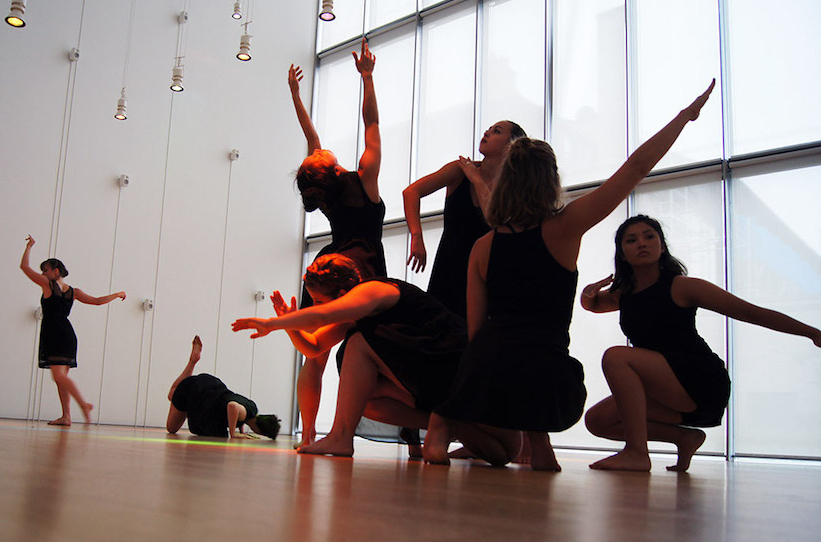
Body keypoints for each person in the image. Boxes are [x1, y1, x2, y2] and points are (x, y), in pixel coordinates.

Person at [422, 80, 718, 470]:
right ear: (550, 179)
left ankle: (448, 426)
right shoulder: (564, 227)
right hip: (549, 385)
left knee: (494, 380)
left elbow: (477, 334)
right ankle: (536, 440)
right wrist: (684, 117)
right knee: (535, 360)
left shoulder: (484, 246)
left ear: (505, 183)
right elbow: (635, 168)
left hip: (487, 375)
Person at [580, 215, 821, 472]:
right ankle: (685, 438)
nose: (642, 243)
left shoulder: (682, 287)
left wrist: (812, 333)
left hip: (699, 381)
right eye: (632, 240)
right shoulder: (624, 294)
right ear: (623, 255)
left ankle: (637, 453)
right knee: (598, 422)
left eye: (649, 236)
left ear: (662, 247)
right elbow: (593, 305)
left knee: (617, 356)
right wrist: (588, 292)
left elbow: (750, 312)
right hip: (666, 386)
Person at [232, 253, 466, 457]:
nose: (314, 306)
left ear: (342, 294)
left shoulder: (373, 290)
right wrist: (290, 326)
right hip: (430, 380)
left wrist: (273, 323)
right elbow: (313, 347)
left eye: (319, 301)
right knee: (365, 401)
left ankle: (340, 437)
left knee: (358, 343)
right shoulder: (355, 315)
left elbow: (320, 317)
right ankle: (448, 424)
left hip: (452, 368)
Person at [288, 39, 385, 448]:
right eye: (315, 156)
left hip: (327, 269)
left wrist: (296, 97)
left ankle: (310, 433)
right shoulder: (364, 176)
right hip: (359, 269)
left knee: (316, 354)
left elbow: (310, 136)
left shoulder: (324, 190)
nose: (317, 149)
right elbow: (372, 125)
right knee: (372, 349)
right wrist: (367, 78)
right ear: (327, 169)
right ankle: (341, 432)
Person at [403, 120, 527, 318]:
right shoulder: (459, 170)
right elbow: (411, 192)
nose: (487, 132)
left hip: (485, 278)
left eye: (496, 131)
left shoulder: (511, 192)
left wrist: (476, 178)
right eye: (489, 128)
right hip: (447, 271)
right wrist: (417, 237)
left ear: (510, 146)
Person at [19, 235, 125, 426]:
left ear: (56, 271)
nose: (42, 274)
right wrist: (117, 294)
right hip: (67, 334)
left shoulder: (48, 285)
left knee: (58, 376)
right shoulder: (73, 291)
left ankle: (84, 405)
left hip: (56, 333)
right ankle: (66, 416)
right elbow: (97, 301)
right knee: (61, 379)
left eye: (45, 270)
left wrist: (29, 247)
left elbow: (24, 268)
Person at [166, 335, 282, 440]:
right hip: (202, 395)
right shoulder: (245, 414)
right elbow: (232, 406)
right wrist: (233, 434)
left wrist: (239, 429)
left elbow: (238, 409)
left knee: (173, 394)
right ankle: (192, 362)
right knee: (171, 428)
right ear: (259, 430)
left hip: (209, 386)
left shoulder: (252, 408)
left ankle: (192, 362)